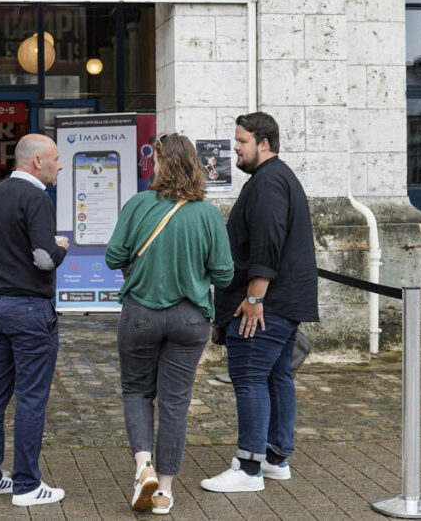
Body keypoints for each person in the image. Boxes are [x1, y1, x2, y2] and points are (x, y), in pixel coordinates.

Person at [105, 133, 234, 515]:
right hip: (190, 316)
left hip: (141, 313)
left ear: (162, 164)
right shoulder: (208, 214)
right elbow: (225, 275)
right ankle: (163, 491)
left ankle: (143, 465)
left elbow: (114, 256)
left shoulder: (139, 204)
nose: (153, 166)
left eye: (156, 160)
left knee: (136, 391)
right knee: (175, 403)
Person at [201, 112, 319, 493]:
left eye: (241, 141)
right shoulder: (275, 178)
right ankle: (274, 458)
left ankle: (250, 466)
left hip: (266, 304)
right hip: (283, 301)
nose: (234, 147)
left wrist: (254, 298)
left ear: (263, 143)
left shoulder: (269, 183)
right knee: (275, 375)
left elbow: (268, 242)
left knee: (250, 377)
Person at [0, 134, 69, 507]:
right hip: (29, 309)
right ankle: (27, 485)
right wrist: (60, 249)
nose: (60, 165)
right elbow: (43, 259)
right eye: (56, 159)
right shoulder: (37, 199)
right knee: (31, 398)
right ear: (37, 162)